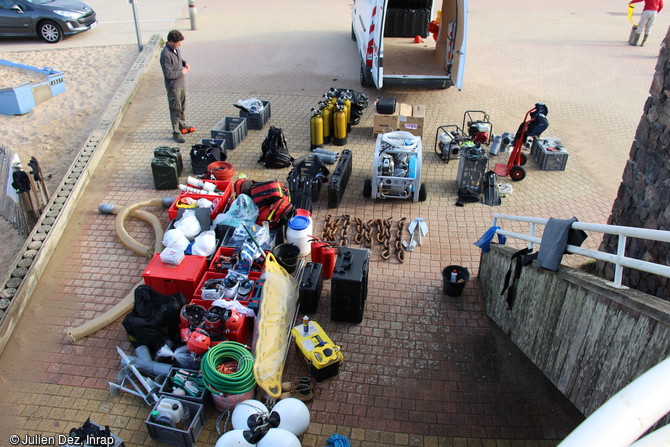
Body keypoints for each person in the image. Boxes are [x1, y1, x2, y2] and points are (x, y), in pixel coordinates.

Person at [160, 30, 196, 143]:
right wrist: (182, 72)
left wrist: (184, 63)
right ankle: (176, 133)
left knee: (182, 107)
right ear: (171, 41)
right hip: (173, 87)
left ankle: (182, 125)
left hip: (181, 84)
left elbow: (178, 60)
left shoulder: (176, 49)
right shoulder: (165, 54)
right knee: (176, 109)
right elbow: (168, 74)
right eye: (177, 43)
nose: (179, 45)